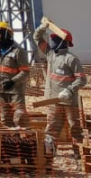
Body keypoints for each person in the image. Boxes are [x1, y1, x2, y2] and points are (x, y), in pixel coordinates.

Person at [34, 23, 86, 153]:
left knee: (75, 128)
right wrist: (43, 27)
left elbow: (82, 79)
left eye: (55, 38)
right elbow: (37, 38)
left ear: (63, 41)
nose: (52, 41)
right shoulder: (50, 54)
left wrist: (69, 90)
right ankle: (49, 153)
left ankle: (80, 154)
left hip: (69, 102)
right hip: (53, 101)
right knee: (52, 128)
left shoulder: (71, 59)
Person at [0, 20, 30, 128]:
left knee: (19, 116)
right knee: (5, 117)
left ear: (7, 34)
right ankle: (10, 137)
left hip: (15, 91)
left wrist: (13, 81)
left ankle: (24, 136)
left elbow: (25, 71)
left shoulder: (18, 51)